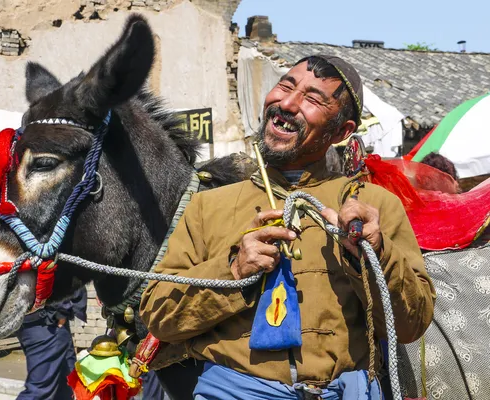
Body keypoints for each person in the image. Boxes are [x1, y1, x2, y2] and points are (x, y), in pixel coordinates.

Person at [140, 55, 435, 399]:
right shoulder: (209, 205)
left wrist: (371, 256)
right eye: (286, 85)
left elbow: (410, 326)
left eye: (312, 99)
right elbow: (159, 318)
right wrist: (233, 270)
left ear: (341, 131)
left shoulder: (375, 208)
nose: (288, 103)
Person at [17, 286, 88, 400]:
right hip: (47, 319)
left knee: (65, 385)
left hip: (44, 316)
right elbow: (56, 272)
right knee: (39, 391)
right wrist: (60, 310)